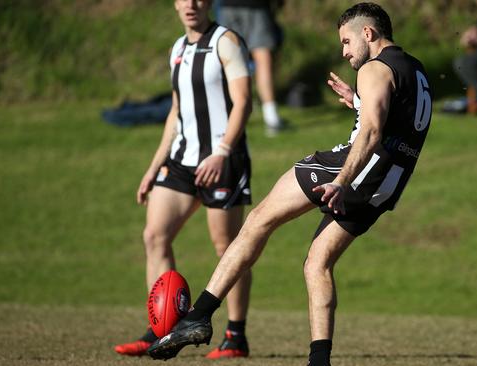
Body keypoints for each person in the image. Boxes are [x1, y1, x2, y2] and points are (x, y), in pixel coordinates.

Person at [147, 3, 432, 365]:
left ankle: (199, 316)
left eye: (346, 42)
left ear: (368, 33)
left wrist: (342, 181)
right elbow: (395, 123)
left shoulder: (375, 68)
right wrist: (358, 101)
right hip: (385, 185)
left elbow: (373, 131)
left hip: (351, 170)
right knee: (317, 263)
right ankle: (319, 359)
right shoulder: (416, 70)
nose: (344, 52)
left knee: (258, 220)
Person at [114, 0, 254, 360]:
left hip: (223, 160)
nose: (191, 4)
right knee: (154, 236)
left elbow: (243, 103)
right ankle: (160, 330)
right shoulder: (178, 48)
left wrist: (222, 151)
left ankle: (235, 337)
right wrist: (153, 167)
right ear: (176, 4)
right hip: (181, 161)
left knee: (227, 249)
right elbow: (176, 110)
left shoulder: (226, 41)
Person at [216, 0, 285, 136]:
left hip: (227, 5)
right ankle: (271, 117)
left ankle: (223, 117)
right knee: (262, 59)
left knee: (226, 60)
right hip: (256, 6)